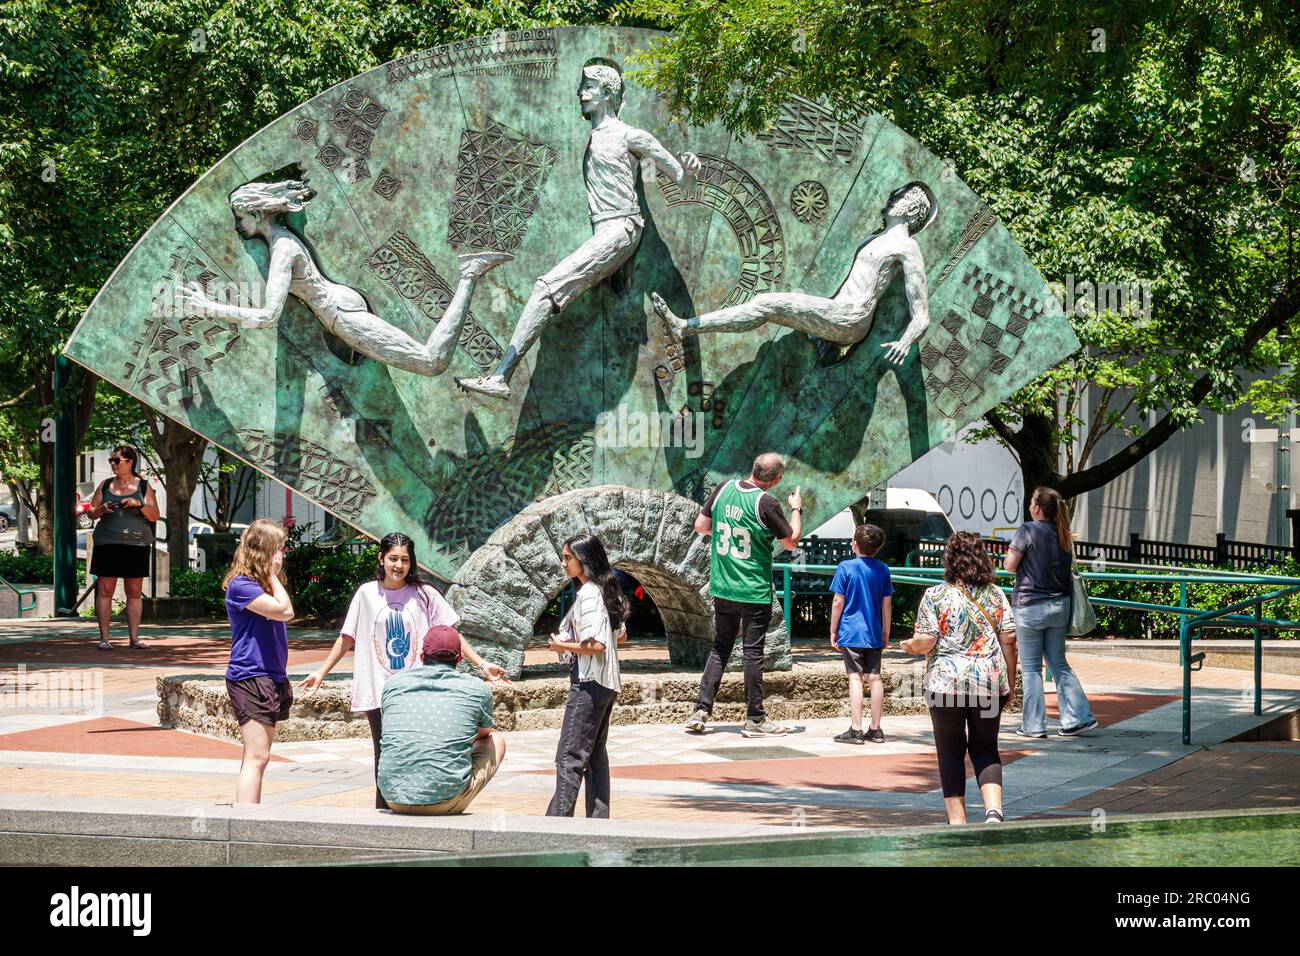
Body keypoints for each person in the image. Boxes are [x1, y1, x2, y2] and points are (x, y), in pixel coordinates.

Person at [455, 58, 700, 399]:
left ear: (608, 93)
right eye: (582, 87)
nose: (580, 93)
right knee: (547, 290)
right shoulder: (596, 136)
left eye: (588, 87)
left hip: (621, 229)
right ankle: (501, 375)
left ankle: (500, 376)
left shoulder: (630, 135)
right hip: (609, 232)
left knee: (544, 289)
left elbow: (679, 178)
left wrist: (687, 172)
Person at [175, 179, 491, 376]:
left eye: (240, 218)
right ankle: (470, 273)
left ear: (257, 215)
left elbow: (268, 316)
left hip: (341, 315)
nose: (238, 226)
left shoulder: (283, 249)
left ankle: (470, 273)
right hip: (339, 312)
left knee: (430, 362)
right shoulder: (281, 242)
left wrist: (208, 307)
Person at [298, 532, 508, 809]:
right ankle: (385, 813)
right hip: (379, 689)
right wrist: (321, 672)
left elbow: (451, 634)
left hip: (417, 690)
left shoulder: (425, 594)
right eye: (393, 558)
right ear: (381, 559)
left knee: (419, 749)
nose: (399, 565)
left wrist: (482, 664)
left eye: (405, 560)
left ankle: (415, 804)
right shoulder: (366, 593)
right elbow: (347, 637)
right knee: (384, 755)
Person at [651, 181, 935, 364]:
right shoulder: (872, 240)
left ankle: (686, 327)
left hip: (851, 319)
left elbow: (921, 313)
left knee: (767, 304)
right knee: (768, 308)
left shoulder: (907, 247)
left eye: (902, 196)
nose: (894, 197)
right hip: (835, 311)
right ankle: (687, 327)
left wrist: (905, 342)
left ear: (912, 209)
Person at [901, 532, 1019, 825]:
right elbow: (1010, 639)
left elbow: (926, 641)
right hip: (988, 684)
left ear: (950, 560)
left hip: (945, 687)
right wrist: (1010, 684)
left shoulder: (935, 595)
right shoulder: (995, 594)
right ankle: (994, 812)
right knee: (986, 747)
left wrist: (911, 646)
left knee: (950, 750)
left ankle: (957, 820)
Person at [684, 452, 801, 738]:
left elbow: (701, 526)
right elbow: (791, 541)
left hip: (723, 586)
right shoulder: (766, 503)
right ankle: (755, 718)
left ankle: (701, 710)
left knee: (721, 647)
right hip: (753, 589)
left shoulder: (724, 489)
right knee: (752, 653)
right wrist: (797, 509)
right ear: (775, 480)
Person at [378, 625, 507, 814]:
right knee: (496, 740)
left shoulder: (393, 684)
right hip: (444, 801)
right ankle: (445, 792)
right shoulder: (477, 689)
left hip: (392, 796)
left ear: (422, 656)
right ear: (460, 659)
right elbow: (484, 734)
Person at [1004, 487, 1099, 738]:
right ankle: (1078, 718)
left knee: (1033, 668)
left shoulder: (1027, 530)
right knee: (1059, 663)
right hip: (1060, 606)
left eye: (1032, 502)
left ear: (1036, 508)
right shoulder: (1063, 533)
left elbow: (1009, 565)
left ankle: (1034, 725)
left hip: (1030, 606)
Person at [546, 533, 629, 818]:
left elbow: (597, 645)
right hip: (606, 682)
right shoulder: (604, 589)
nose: (564, 563)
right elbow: (621, 634)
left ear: (584, 560)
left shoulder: (590, 594)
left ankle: (556, 825)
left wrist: (560, 645)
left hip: (589, 682)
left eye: (568, 558)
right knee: (593, 755)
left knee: (569, 755)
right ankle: (597, 819)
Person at [223, 518, 295, 804]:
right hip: (250, 676)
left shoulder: (260, 586)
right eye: (278, 548)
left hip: (271, 675)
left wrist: (271, 578)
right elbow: (285, 611)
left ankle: (246, 815)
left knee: (256, 757)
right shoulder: (241, 586)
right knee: (258, 756)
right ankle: (246, 822)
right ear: (263, 552)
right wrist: (274, 576)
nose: (282, 555)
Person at [87, 446, 160, 651]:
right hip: (107, 542)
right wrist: (102, 509)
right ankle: (104, 639)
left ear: (130, 462)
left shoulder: (144, 486)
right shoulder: (105, 484)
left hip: (136, 543)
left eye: (117, 460)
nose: (113, 464)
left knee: (134, 591)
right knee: (105, 591)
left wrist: (138, 504)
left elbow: (154, 515)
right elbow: (91, 512)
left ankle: (135, 638)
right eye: (111, 460)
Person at [830, 523, 893, 744]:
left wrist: (833, 629)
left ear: (854, 544)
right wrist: (886, 631)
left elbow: (839, 601)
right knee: (875, 678)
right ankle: (875, 729)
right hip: (874, 632)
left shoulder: (846, 567)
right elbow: (886, 604)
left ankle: (855, 728)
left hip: (850, 631)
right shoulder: (883, 569)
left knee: (854, 677)